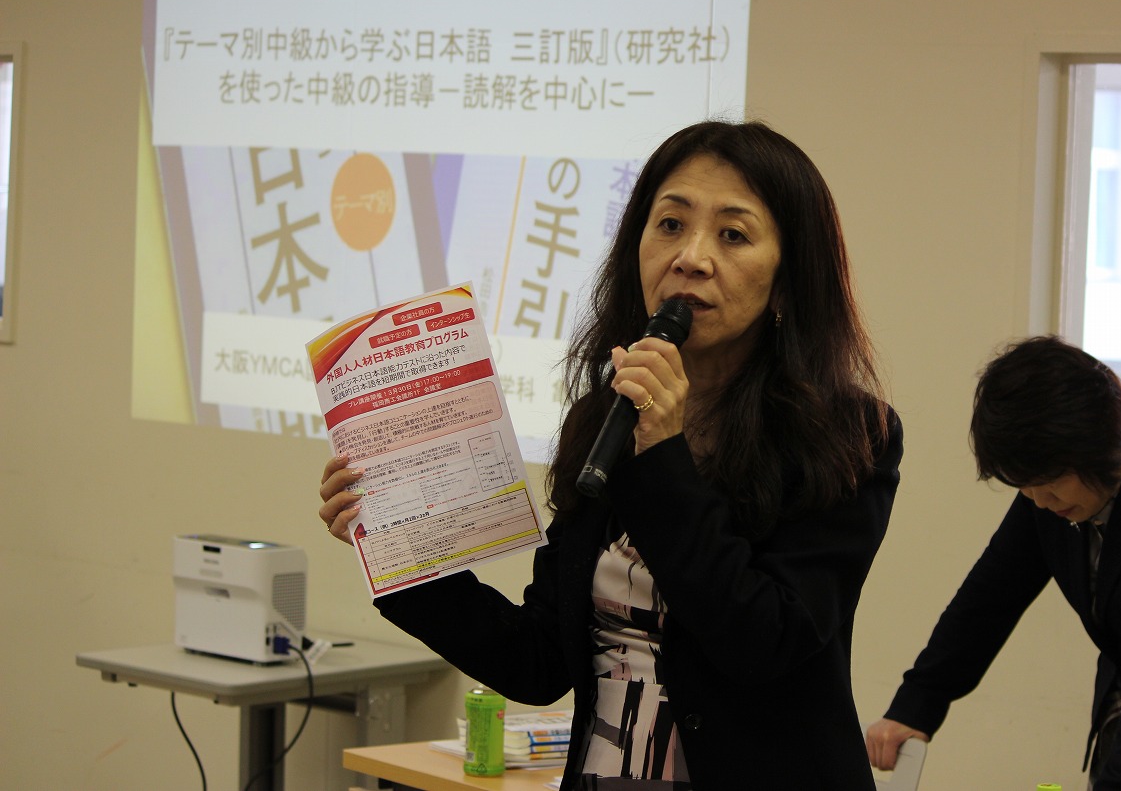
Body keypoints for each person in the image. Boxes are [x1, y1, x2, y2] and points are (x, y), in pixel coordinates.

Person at [320, 120, 903, 790]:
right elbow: (538, 660)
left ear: (787, 279)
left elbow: (763, 640)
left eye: (733, 235)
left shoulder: (849, 437)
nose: (691, 258)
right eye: (670, 225)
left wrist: (664, 454)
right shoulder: (604, 418)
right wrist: (400, 554)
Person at [864, 335, 1121, 790]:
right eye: (1023, 486)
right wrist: (916, 705)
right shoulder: (1055, 487)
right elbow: (988, 599)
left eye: (1048, 484)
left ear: (1099, 448)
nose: (1038, 501)